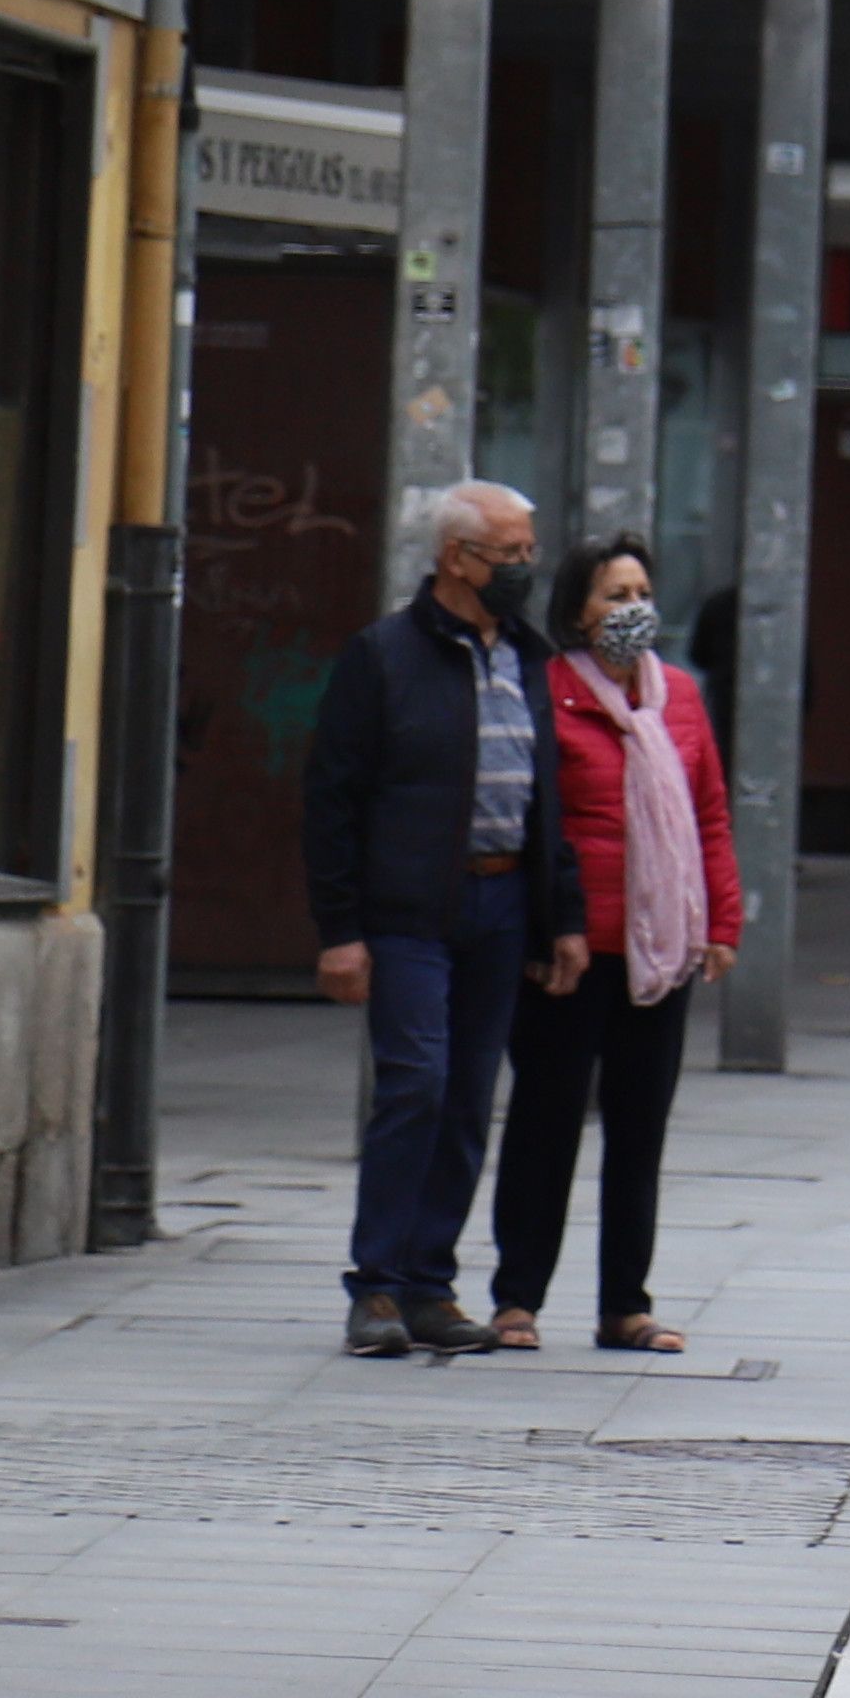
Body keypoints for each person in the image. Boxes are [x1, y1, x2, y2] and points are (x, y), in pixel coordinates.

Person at [304, 481, 593, 1361]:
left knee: (469, 1099)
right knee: (416, 1085)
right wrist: (340, 930)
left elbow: (552, 802)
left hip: (503, 906)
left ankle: (430, 1284)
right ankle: (378, 1286)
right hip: (410, 911)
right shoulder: (384, 656)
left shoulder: (532, 662)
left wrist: (563, 920)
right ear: (455, 558)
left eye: (530, 553)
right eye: (509, 556)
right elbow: (332, 799)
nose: (525, 569)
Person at [489, 533, 741, 1355]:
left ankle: (625, 1305)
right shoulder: (547, 692)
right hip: (572, 951)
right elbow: (540, 824)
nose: (633, 611)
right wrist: (546, 926)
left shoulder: (683, 701)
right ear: (576, 613)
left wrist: (722, 924)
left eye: (640, 594)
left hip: (660, 950)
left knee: (640, 1131)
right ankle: (517, 1298)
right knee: (545, 1125)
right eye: (613, 597)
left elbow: (707, 813)